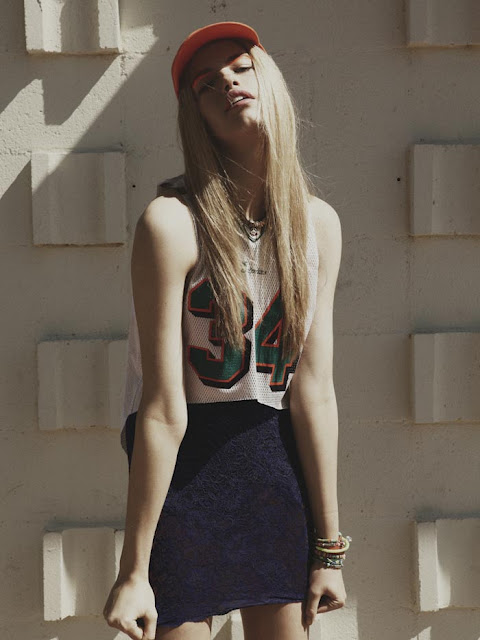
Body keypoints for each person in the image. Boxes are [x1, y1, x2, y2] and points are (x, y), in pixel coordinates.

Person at [103, 21, 349, 640]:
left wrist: (329, 548)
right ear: (195, 116)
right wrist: (134, 570)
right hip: (185, 477)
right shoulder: (171, 223)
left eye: (241, 67)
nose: (228, 84)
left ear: (272, 80)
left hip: (274, 474)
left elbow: (314, 393)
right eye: (206, 84)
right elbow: (161, 409)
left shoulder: (318, 226)